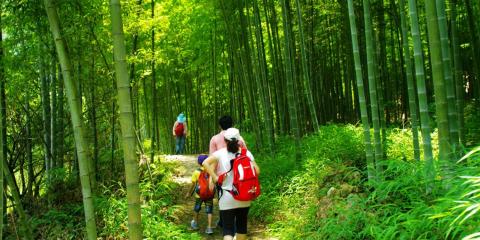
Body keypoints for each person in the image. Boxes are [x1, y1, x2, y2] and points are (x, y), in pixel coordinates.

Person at [202, 128, 260, 240]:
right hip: (244, 196)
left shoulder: (220, 153)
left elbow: (205, 163)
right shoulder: (246, 153)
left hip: (227, 196)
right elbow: (257, 171)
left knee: (228, 230)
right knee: (241, 227)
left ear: (225, 140)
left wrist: (215, 177)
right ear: (239, 140)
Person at [209, 115, 247, 229]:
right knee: (237, 196)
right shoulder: (239, 138)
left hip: (221, 175)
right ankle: (232, 224)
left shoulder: (215, 139)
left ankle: (225, 223)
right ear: (232, 124)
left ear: (219, 125)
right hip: (238, 173)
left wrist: (211, 178)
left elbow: (212, 160)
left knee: (223, 198)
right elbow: (245, 155)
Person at [185, 155, 215, 234]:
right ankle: (209, 228)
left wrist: (189, 193)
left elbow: (193, 184)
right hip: (209, 194)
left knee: (197, 208)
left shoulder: (196, 172)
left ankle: (194, 224)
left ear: (199, 163)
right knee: (209, 210)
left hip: (199, 194)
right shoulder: (211, 171)